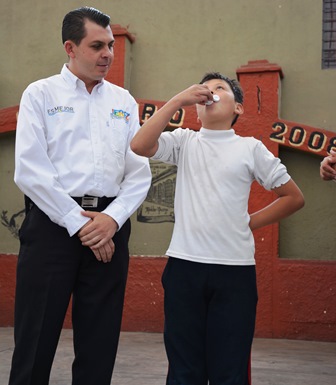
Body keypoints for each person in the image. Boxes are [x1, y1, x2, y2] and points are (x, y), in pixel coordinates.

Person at [131, 72, 305, 385]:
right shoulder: (185, 141)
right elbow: (140, 145)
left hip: (234, 272)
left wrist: (250, 221)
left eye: (220, 88)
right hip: (185, 267)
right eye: (205, 89)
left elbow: (293, 198)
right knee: (185, 370)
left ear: (238, 108)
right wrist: (178, 100)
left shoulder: (250, 148)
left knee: (229, 371)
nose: (210, 93)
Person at [9, 7, 151, 385]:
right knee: (35, 339)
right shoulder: (40, 94)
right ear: (70, 47)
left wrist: (111, 220)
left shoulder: (123, 101)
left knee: (99, 343)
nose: (108, 53)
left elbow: (139, 174)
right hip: (52, 228)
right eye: (97, 46)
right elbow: (30, 170)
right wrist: (77, 224)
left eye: (110, 46)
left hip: (109, 229)